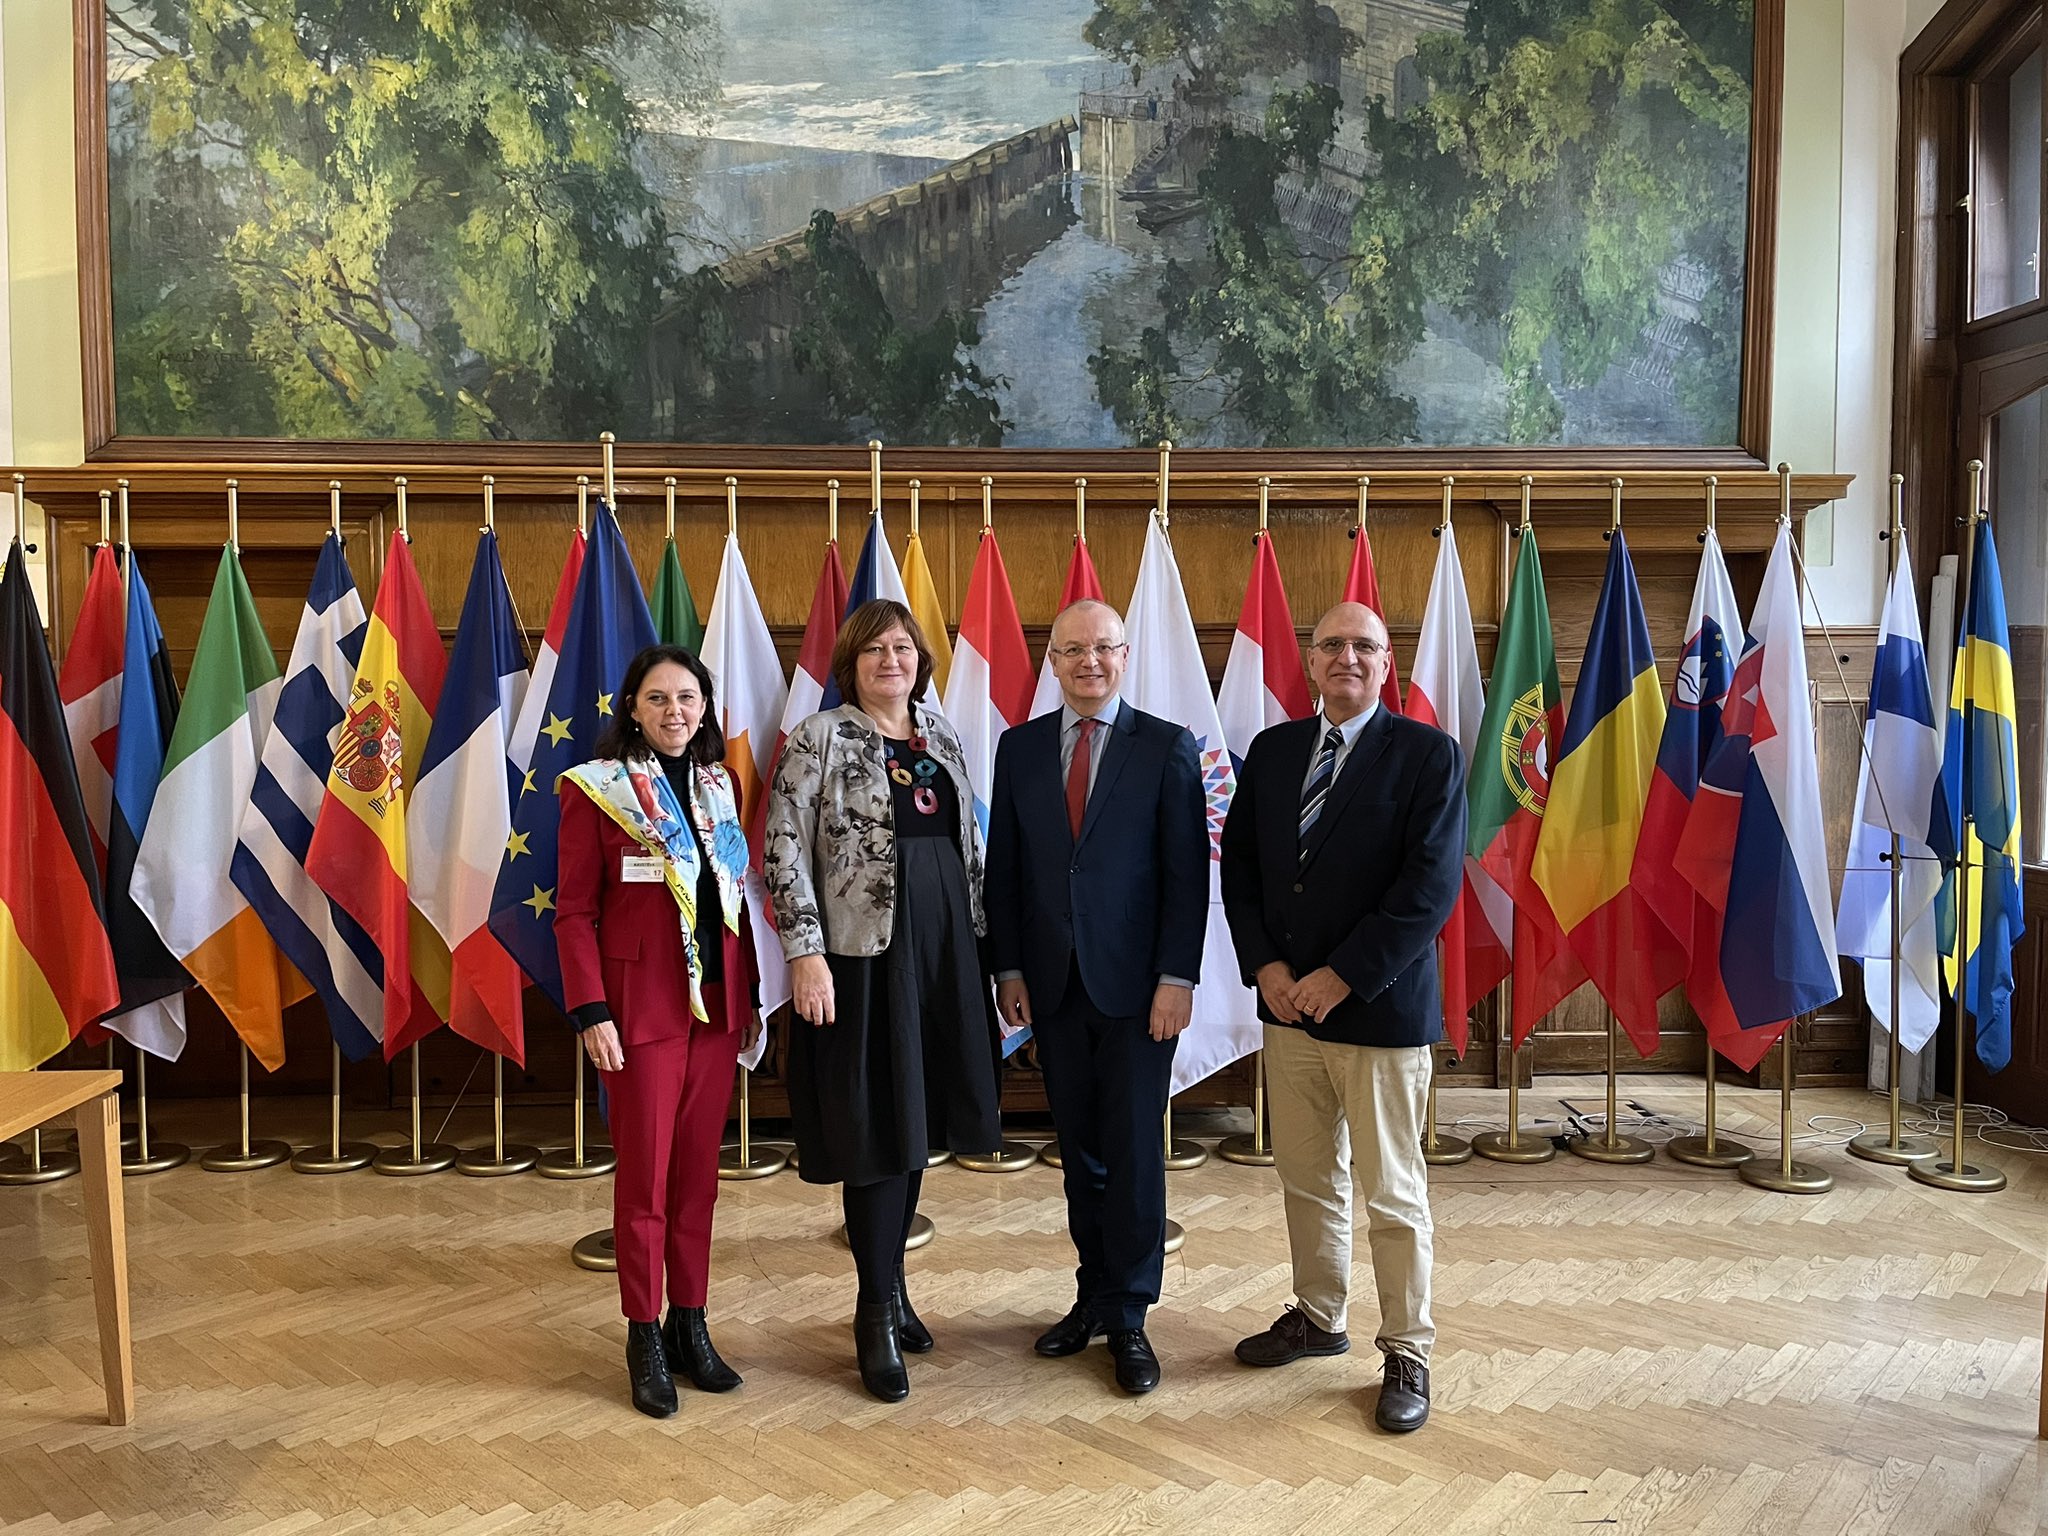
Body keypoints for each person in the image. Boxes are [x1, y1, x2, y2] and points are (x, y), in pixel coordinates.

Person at [1218, 602, 1465, 1434]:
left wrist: (1339, 977)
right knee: (1306, 1176)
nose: (1347, 658)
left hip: (1380, 1011)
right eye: (1331, 645)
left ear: (1386, 662)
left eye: (1364, 645)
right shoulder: (1275, 749)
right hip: (1287, 1011)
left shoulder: (1429, 754)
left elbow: (1427, 890)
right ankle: (1320, 1318)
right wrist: (1269, 969)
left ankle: (1408, 1349)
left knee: (1393, 1191)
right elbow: (1242, 870)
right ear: (1310, 659)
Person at [763, 599, 1001, 1403]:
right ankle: (871, 1311)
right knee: (873, 1130)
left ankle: (896, 1289)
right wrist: (805, 953)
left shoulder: (945, 736)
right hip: (860, 960)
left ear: (920, 660)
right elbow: (783, 847)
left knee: (919, 1122)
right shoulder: (820, 737)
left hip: (945, 958)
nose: (890, 661)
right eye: (874, 651)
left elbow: (970, 847)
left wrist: (985, 953)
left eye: (902, 648)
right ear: (851, 664)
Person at [984, 598, 1208, 1395]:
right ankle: (1092, 1292)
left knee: (1136, 1156)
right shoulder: (1017, 749)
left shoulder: (1167, 748)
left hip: (1141, 991)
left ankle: (1132, 1317)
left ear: (1125, 655)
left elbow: (1189, 878)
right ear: (1052, 660)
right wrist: (1008, 970)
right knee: (1079, 1154)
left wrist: (1177, 980)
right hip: (1052, 988)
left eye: (1104, 649)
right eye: (1073, 649)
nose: (1089, 662)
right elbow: (1005, 871)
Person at [555, 644, 764, 1419]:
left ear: (703, 707)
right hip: (637, 1009)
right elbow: (574, 912)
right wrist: (590, 1011)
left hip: (715, 1007)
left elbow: (732, 899)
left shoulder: (721, 785)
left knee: (698, 1181)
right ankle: (643, 1333)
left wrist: (750, 1000)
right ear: (633, 710)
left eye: (686, 697)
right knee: (644, 1182)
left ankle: (691, 1324)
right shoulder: (597, 791)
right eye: (657, 699)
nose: (674, 712)